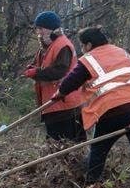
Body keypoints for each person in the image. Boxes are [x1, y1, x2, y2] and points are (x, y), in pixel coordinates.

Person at [51, 26, 130, 188]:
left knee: (98, 150)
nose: (82, 49)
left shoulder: (90, 59)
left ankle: (91, 184)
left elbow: (72, 80)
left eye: (82, 46)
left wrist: (60, 93)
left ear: (88, 45)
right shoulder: (120, 51)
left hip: (112, 110)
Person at [23, 11, 85, 141]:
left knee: (64, 145)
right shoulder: (47, 46)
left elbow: (59, 71)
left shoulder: (62, 45)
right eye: (37, 29)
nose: (38, 32)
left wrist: (36, 73)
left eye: (41, 28)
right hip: (54, 104)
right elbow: (40, 65)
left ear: (50, 28)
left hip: (64, 104)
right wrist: (32, 69)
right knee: (58, 144)